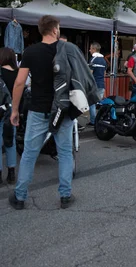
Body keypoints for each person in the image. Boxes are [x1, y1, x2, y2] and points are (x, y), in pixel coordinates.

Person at [9, 15, 75, 210]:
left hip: (38, 109)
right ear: (55, 30)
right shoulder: (67, 50)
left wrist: (14, 110)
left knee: (30, 154)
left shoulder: (31, 52)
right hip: (62, 109)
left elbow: (20, 82)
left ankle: (20, 197)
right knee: (64, 153)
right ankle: (65, 196)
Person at [0, 47, 18, 184]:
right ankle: (11, 174)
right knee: (10, 142)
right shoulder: (18, 73)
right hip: (13, 111)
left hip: (0, 110)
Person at [88, 42, 107, 125]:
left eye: (90, 48)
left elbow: (90, 73)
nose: (89, 50)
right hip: (101, 84)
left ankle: (93, 121)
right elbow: (104, 74)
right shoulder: (103, 60)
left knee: (92, 103)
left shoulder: (93, 59)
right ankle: (101, 120)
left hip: (94, 84)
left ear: (94, 49)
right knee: (99, 104)